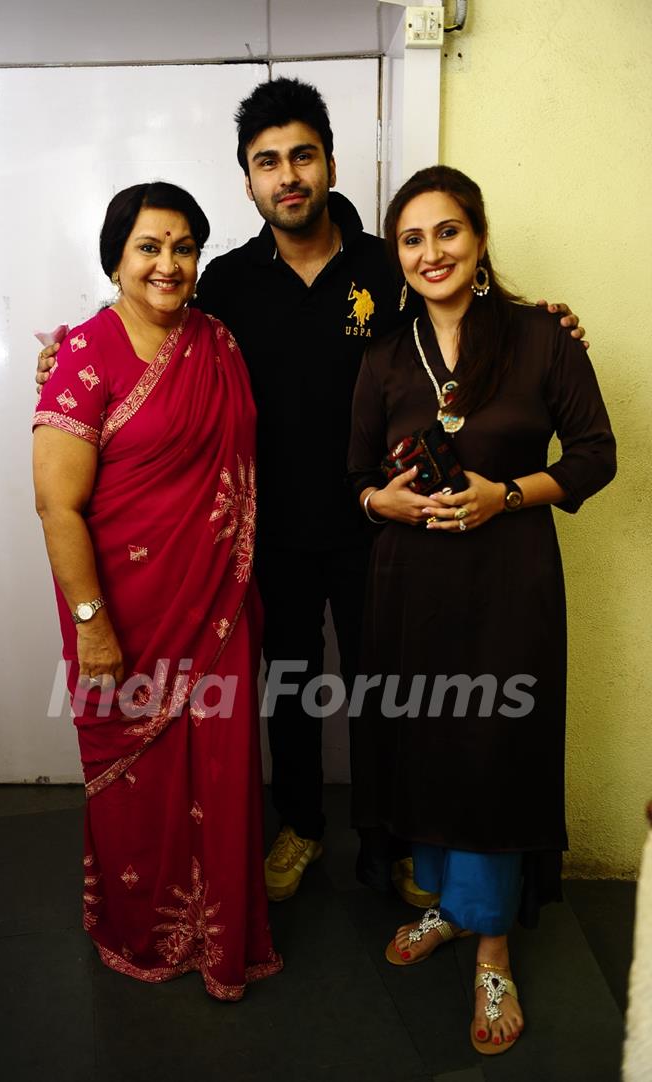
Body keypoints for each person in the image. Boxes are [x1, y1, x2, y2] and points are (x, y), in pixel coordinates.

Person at [35, 78, 587, 906]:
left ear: (329, 162)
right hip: (263, 536)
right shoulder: (222, 280)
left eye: (302, 155)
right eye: (267, 162)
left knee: (391, 690)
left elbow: (460, 309)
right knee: (285, 689)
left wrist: (543, 321)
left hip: (390, 527)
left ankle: (394, 841)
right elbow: (149, 323)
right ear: (247, 181)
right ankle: (299, 827)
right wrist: (64, 355)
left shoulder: (386, 262)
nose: (287, 174)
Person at [348, 165, 616, 1053]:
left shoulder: (542, 338)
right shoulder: (385, 355)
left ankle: (493, 945)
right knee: (426, 746)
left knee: (497, 753)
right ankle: (452, 910)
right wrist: (379, 502)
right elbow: (356, 478)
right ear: (398, 254)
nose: (433, 252)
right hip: (409, 595)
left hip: (510, 587)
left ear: (480, 236)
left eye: (448, 231)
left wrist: (508, 493)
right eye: (413, 238)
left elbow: (594, 454)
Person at [32, 181, 282, 1000]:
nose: (168, 264)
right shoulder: (83, 354)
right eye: (149, 246)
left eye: (183, 247)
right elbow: (56, 503)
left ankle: (221, 940)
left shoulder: (221, 343)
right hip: (121, 613)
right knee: (137, 791)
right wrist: (93, 627)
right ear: (116, 258)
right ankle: (143, 931)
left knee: (219, 772)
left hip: (218, 605)